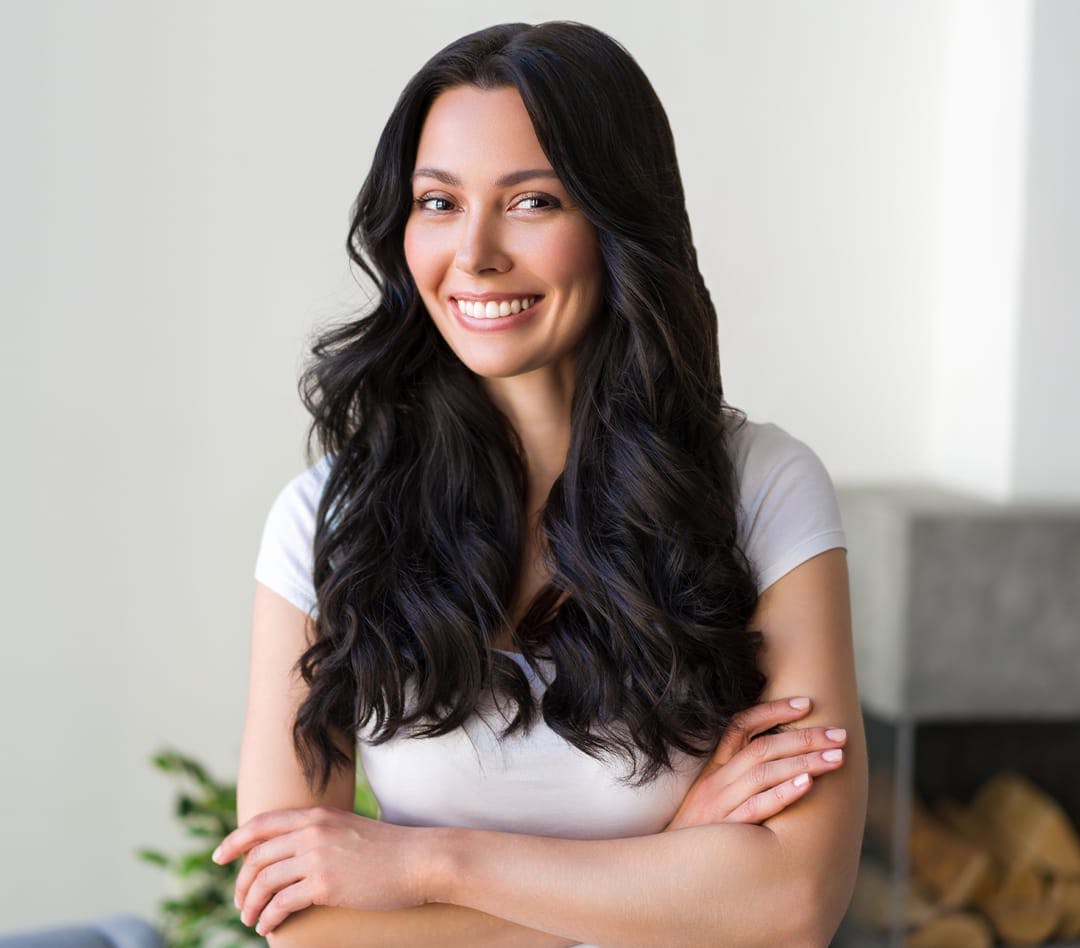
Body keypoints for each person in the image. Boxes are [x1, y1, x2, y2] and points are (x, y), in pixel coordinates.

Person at [212, 20, 868, 947]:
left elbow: (795, 903)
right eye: (437, 204)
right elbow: (304, 922)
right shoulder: (327, 519)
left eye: (532, 202)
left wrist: (424, 865)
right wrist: (676, 873)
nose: (474, 254)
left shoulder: (762, 489)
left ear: (617, 223)